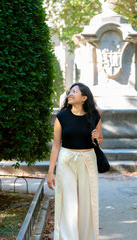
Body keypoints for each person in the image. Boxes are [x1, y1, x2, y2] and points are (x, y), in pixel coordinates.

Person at [47, 82, 103, 240]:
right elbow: (56, 146)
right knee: (68, 204)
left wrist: (96, 138)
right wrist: (51, 172)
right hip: (67, 161)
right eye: (69, 92)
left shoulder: (95, 116)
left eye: (74, 92)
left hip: (88, 160)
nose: (69, 94)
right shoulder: (61, 117)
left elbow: (100, 139)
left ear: (84, 98)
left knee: (87, 203)